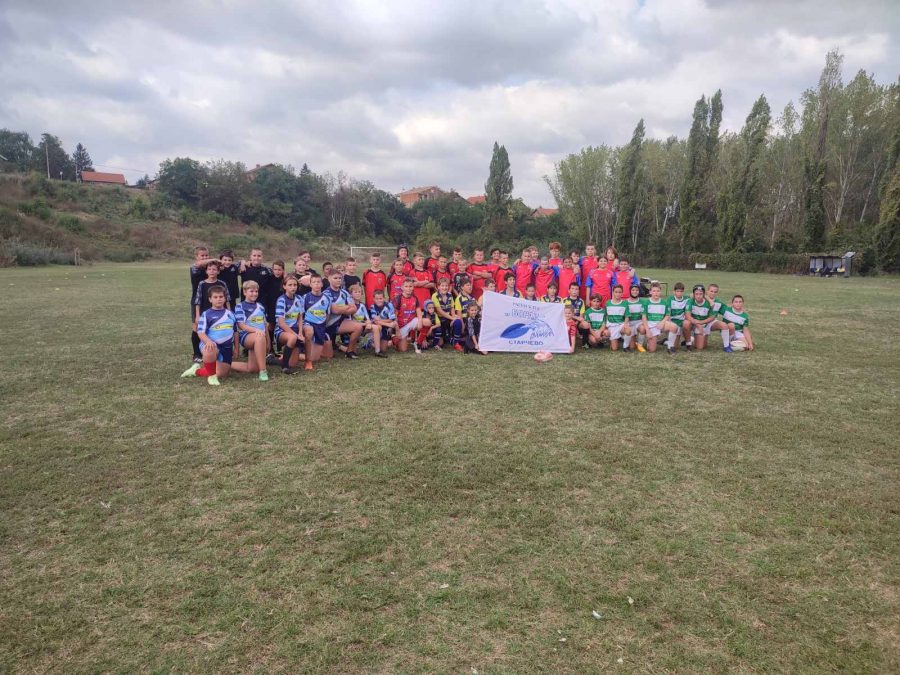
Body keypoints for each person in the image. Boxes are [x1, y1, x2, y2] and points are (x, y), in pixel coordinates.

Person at [181, 286, 248, 385]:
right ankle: (212, 377)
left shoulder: (230, 314)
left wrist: (236, 348)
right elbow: (200, 332)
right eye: (215, 297)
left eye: (221, 297)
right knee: (210, 348)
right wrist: (208, 341)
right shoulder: (206, 314)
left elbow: (235, 332)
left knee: (221, 374)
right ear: (210, 299)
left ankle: (196, 370)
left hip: (226, 348)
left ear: (225, 298)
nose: (218, 299)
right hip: (210, 344)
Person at [234, 280, 270, 381]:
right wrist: (257, 331)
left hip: (260, 337)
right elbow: (241, 325)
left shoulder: (260, 306)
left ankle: (225, 364)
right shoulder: (240, 306)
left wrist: (268, 341)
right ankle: (263, 371)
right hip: (246, 336)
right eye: (251, 291)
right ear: (245, 292)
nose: (254, 294)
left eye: (256, 291)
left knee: (252, 369)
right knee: (259, 337)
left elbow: (264, 325)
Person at [324, 270, 364, 359]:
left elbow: (354, 308)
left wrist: (341, 309)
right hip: (328, 325)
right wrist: (347, 307)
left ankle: (349, 351)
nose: (338, 280)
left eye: (340, 278)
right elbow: (334, 310)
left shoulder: (344, 292)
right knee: (328, 356)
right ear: (329, 279)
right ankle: (334, 345)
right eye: (335, 278)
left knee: (358, 327)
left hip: (341, 322)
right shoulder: (326, 293)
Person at [301, 273, 332, 369]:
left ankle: (300, 354)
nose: (316, 284)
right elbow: (301, 315)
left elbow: (327, 314)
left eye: (318, 282)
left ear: (322, 284)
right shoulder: (305, 297)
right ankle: (307, 360)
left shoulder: (327, 298)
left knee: (320, 357)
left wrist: (323, 325)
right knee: (309, 332)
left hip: (320, 326)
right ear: (310, 284)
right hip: (308, 324)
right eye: (314, 282)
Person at [274, 275, 303, 373]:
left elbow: (300, 318)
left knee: (293, 363)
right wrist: (297, 335)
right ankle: (285, 367)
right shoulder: (281, 300)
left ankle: (272, 360)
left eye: (295, 285)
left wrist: (300, 332)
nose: (293, 287)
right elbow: (281, 324)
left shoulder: (299, 298)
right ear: (284, 286)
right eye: (290, 285)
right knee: (292, 338)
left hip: (295, 330)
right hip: (281, 331)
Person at [394, 277, 430, 353]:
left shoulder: (415, 298)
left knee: (427, 322)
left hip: (411, 322)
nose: (408, 288)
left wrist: (420, 321)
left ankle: (418, 343)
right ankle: (394, 339)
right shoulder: (398, 299)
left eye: (410, 286)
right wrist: (397, 330)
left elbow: (419, 312)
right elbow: (394, 317)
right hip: (401, 326)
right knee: (403, 350)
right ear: (402, 287)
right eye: (406, 286)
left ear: (413, 287)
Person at [642, 282, 679, 354]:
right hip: (651, 325)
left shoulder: (664, 302)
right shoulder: (646, 302)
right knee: (651, 350)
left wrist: (662, 322)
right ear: (650, 292)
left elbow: (667, 315)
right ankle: (662, 341)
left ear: (660, 292)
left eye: (658, 291)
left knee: (674, 327)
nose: (656, 293)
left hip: (661, 324)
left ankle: (670, 347)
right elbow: (644, 317)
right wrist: (647, 330)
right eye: (654, 291)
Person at [189, 245, 211, 362]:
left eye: (206, 255)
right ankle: (197, 354)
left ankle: (207, 350)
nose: (205, 257)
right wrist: (214, 260)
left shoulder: (210, 268)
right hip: (197, 301)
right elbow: (199, 264)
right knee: (196, 327)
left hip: (210, 301)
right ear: (196, 257)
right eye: (202, 256)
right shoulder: (194, 268)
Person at [193, 259, 230, 326]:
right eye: (209, 269)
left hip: (220, 312)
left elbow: (227, 299)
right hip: (205, 312)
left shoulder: (222, 283)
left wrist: (229, 312)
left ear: (218, 271)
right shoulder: (202, 284)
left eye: (214, 269)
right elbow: (198, 301)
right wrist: (197, 316)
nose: (211, 271)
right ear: (206, 271)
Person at [683, 284, 714, 351]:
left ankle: (692, 338)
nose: (698, 296)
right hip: (693, 323)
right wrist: (697, 324)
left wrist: (700, 323)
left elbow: (712, 317)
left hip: (703, 324)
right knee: (686, 323)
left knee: (700, 347)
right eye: (696, 294)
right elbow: (687, 316)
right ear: (693, 294)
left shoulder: (709, 303)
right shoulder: (690, 301)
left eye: (700, 294)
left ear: (704, 294)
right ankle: (688, 343)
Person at [368, 289, 396, 357]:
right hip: (378, 327)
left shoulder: (389, 305)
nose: (379, 300)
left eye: (380, 298)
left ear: (384, 298)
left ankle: (376, 342)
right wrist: (388, 324)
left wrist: (381, 321)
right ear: (373, 299)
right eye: (377, 299)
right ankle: (370, 341)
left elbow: (392, 319)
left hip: (386, 328)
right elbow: (375, 321)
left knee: (383, 349)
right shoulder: (372, 307)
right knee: (377, 326)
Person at [451, 278, 477, 351]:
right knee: (458, 321)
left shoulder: (472, 298)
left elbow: (477, 311)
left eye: (470, 285)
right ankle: (455, 342)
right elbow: (459, 314)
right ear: (462, 287)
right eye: (467, 285)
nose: (470, 287)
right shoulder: (459, 298)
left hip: (472, 320)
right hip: (464, 321)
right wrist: (463, 327)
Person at [605, 284, 632, 351]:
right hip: (612, 326)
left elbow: (627, 316)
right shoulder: (608, 303)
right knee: (614, 349)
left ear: (622, 293)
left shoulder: (625, 303)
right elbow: (606, 315)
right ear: (613, 292)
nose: (618, 294)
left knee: (628, 330)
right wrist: (606, 326)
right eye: (616, 292)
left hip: (621, 324)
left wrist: (625, 325)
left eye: (620, 292)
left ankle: (625, 346)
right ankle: (614, 339)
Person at [431, 277, 455, 348]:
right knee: (440, 344)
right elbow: (439, 311)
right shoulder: (435, 296)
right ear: (438, 287)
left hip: (448, 318)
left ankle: (455, 339)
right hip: (438, 319)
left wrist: (454, 316)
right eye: (442, 286)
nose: (444, 288)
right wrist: (452, 318)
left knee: (457, 320)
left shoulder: (450, 294)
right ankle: (432, 338)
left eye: (446, 286)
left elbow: (452, 307)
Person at [665, 282, 689, 354]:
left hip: (682, 322)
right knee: (676, 346)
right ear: (674, 291)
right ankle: (665, 341)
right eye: (677, 291)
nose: (679, 293)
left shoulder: (686, 299)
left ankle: (688, 341)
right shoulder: (670, 299)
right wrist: (670, 325)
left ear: (683, 292)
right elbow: (668, 313)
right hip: (673, 323)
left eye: (681, 291)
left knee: (692, 340)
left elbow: (695, 295)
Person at [626, 284, 647, 352]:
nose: (635, 291)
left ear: (639, 291)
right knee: (632, 347)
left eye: (637, 290)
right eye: (633, 290)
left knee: (642, 328)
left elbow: (644, 315)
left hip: (639, 323)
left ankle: (640, 345)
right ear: (630, 291)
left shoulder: (642, 301)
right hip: (630, 324)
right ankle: (633, 341)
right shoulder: (625, 302)